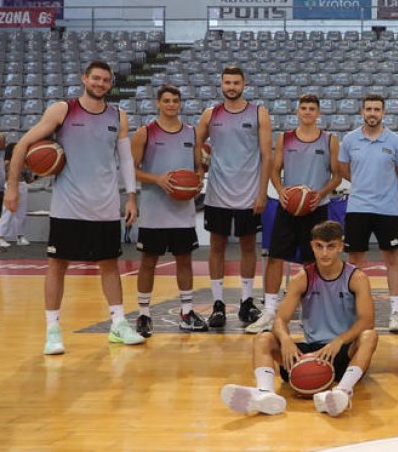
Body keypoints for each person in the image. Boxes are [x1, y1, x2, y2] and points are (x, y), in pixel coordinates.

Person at [4, 60, 145, 354]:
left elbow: (127, 160)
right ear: (84, 78)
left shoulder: (118, 116)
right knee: (57, 265)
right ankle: (52, 330)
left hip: (105, 205)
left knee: (110, 264)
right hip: (68, 206)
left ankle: (118, 324)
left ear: (110, 84)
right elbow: (21, 146)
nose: (100, 84)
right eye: (95, 78)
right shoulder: (63, 110)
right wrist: (12, 187)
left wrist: (131, 196)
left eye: (105, 80)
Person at [220, 220, 378, 417]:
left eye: (331, 246)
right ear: (312, 245)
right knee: (263, 338)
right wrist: (286, 340)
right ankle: (265, 394)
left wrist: (339, 341)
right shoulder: (302, 278)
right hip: (310, 355)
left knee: (369, 336)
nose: (325, 253)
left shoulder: (356, 277)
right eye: (319, 246)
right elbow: (279, 319)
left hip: (343, 352)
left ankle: (342, 392)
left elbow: (367, 320)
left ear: (340, 246)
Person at [244, 94, 342, 335]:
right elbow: (275, 170)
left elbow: (338, 176)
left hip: (317, 208)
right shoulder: (285, 138)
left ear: (318, 113)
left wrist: (321, 193)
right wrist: (280, 190)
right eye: (304, 108)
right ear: (298, 112)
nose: (307, 112)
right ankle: (269, 311)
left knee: (314, 260)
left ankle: (312, 312)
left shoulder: (329, 139)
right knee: (276, 257)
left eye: (312, 109)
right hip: (289, 207)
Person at [196, 65, 273, 329]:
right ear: (221, 84)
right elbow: (195, 145)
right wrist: (199, 167)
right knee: (216, 246)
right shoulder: (210, 114)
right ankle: (218, 304)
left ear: (244, 84)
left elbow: (267, 155)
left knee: (248, 247)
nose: (231, 86)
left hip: (249, 193)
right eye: (227, 82)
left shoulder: (258, 112)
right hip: (217, 192)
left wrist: (263, 192)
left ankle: (246, 301)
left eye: (236, 82)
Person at [131, 84, 209, 337]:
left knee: (184, 260)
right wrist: (157, 179)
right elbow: (130, 170)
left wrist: (197, 181)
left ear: (180, 103)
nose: (171, 104)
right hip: (154, 210)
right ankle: (143, 314)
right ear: (158, 103)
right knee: (148, 262)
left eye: (175, 100)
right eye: (166, 100)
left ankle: (186, 312)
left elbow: (199, 167)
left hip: (182, 211)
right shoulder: (145, 133)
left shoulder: (191, 133)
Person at [338, 94, 398, 333]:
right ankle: (355, 311)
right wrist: (365, 186)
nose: (372, 113)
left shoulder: (396, 142)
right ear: (362, 112)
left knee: (392, 259)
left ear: (383, 113)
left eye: (377, 109)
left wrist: (382, 189)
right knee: (355, 262)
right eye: (368, 109)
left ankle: (396, 313)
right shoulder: (349, 140)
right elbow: (346, 171)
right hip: (358, 207)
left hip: (386, 208)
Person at [0, 142, 34, 247]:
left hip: (22, 185)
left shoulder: (24, 163)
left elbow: (29, 179)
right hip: (9, 185)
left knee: (21, 212)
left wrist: (38, 175)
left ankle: (20, 237)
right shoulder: (5, 164)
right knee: (7, 211)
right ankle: (0, 238)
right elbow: (1, 177)